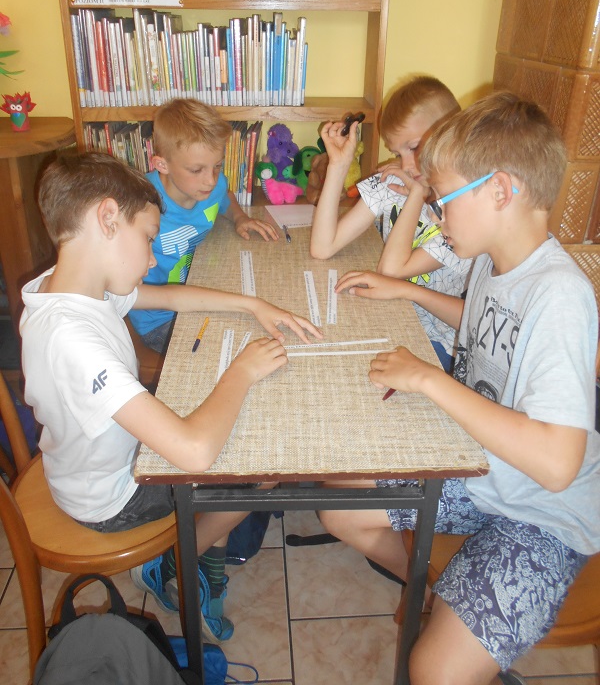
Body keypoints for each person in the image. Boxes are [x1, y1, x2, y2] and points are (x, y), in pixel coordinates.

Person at [319, 92, 600, 685]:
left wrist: (427, 379)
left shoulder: (560, 296)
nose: (439, 216)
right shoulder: (495, 264)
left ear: (499, 191)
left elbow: (557, 464)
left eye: (445, 199)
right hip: (482, 472)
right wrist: (409, 291)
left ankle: (458, 627)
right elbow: (479, 320)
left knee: (433, 671)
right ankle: (443, 594)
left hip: (541, 514)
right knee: (338, 503)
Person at [19, 152, 322, 643]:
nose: (153, 258)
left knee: (221, 410)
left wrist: (253, 304)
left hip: (92, 461)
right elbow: (194, 452)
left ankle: (197, 550)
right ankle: (170, 562)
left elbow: (172, 296)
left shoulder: (72, 287)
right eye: (148, 237)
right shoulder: (71, 340)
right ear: (108, 218)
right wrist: (242, 370)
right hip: (115, 496)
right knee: (264, 464)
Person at [310, 75, 471, 371]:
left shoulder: (461, 214)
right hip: (389, 316)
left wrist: (417, 195)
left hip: (436, 343)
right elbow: (322, 247)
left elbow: (391, 272)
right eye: (398, 153)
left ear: (451, 139)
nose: (406, 165)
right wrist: (339, 164)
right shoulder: (394, 182)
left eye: (415, 147)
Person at [128, 98, 280, 355]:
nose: (210, 180)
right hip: (159, 318)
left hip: (202, 283)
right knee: (222, 354)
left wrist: (239, 217)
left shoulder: (213, 184)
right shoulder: (137, 207)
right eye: (196, 170)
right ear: (162, 164)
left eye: (217, 166)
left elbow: (223, 195)